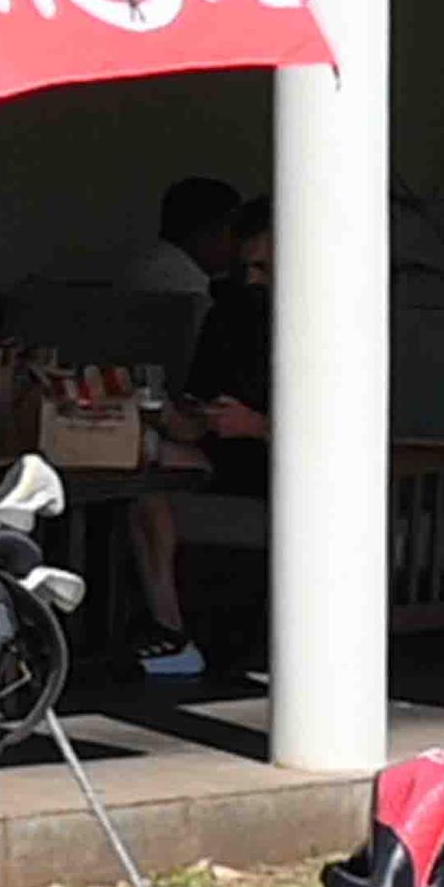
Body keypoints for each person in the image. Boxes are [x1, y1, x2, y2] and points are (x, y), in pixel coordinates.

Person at [124, 198, 273, 679]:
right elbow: (200, 409)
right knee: (142, 468)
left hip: (298, 467)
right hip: (224, 451)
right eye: (244, 266)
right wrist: (173, 415)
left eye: (264, 268)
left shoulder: (334, 326)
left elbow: (349, 432)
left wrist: (258, 425)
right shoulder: (229, 314)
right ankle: (171, 630)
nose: (251, 280)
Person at [118, 175, 245, 298]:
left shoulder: (151, 263)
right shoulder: (183, 283)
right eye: (234, 231)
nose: (239, 243)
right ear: (206, 232)